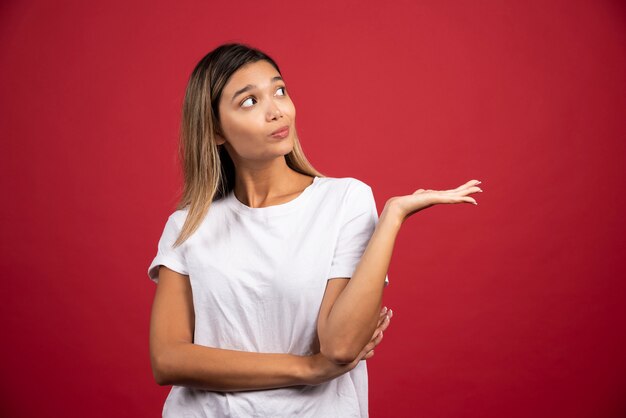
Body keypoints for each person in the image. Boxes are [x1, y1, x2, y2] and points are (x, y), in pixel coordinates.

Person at [147, 42, 482, 418]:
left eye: (279, 90)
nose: (276, 111)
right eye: (248, 102)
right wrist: (308, 369)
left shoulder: (345, 201)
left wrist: (392, 218)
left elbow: (339, 346)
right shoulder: (188, 226)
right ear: (215, 130)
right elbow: (168, 359)